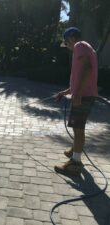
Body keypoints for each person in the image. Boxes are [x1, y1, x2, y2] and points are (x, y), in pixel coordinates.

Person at [54, 27, 98, 176]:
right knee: (78, 128)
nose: (67, 47)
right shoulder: (86, 47)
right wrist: (65, 92)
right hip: (85, 94)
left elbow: (87, 69)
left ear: (71, 38)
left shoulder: (80, 46)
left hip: (83, 95)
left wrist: (78, 94)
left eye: (66, 43)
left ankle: (75, 163)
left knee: (78, 129)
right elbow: (78, 78)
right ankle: (75, 151)